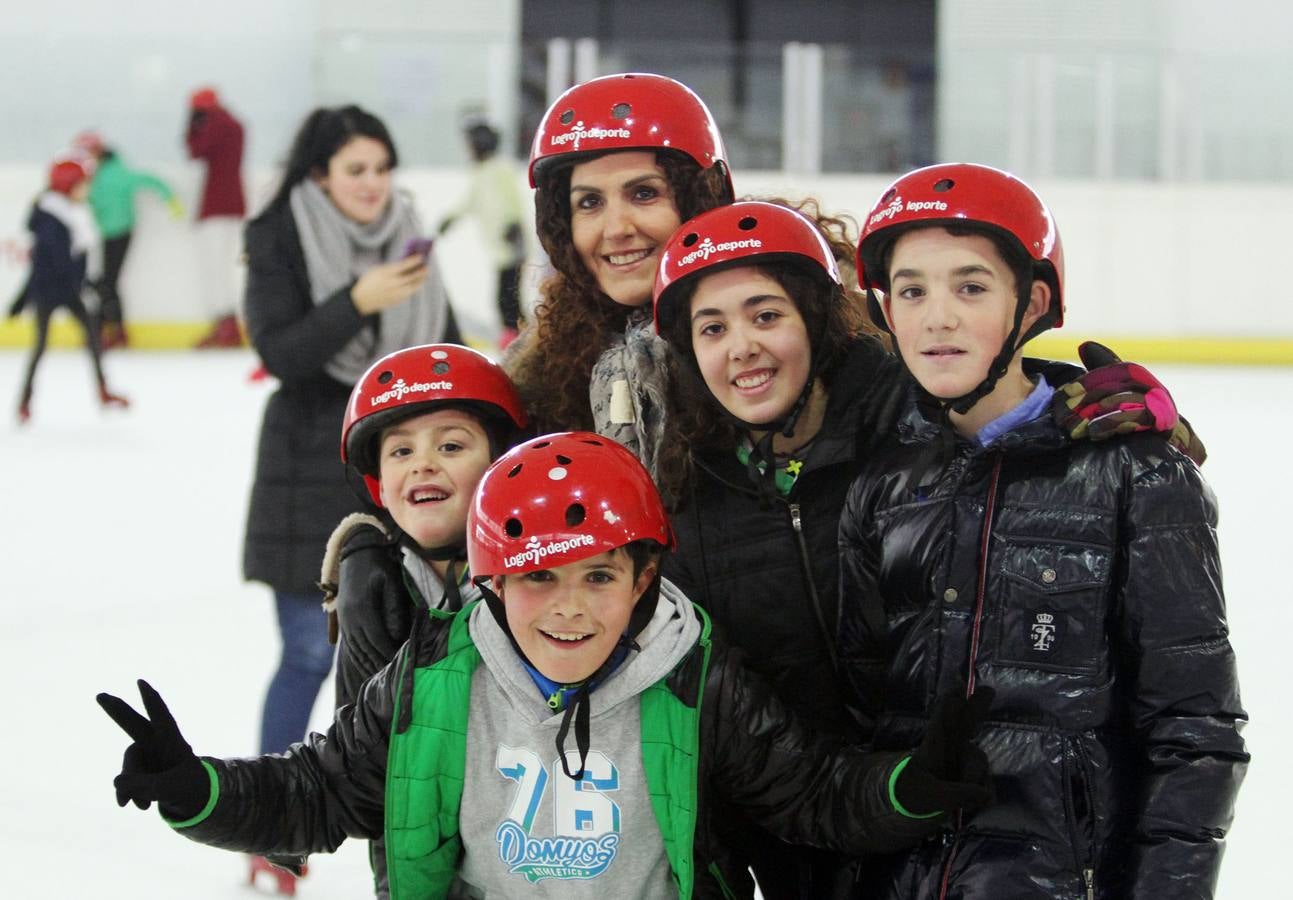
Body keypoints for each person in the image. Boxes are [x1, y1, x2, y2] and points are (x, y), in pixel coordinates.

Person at [99, 432, 997, 899]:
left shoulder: (694, 675)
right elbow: (320, 792)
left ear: (647, 577)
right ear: (489, 584)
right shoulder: (432, 680)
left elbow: (810, 792)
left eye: (599, 577)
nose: (569, 607)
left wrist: (910, 788)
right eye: (536, 581)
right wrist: (196, 790)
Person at [839, 162, 1248, 898]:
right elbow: (862, 724)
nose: (937, 317)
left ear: (1029, 303)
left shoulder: (1136, 474)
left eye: (970, 287)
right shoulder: (882, 487)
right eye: (911, 290)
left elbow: (1193, 733)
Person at [238, 103, 460, 887]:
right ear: (320, 177)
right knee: (305, 651)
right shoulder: (278, 236)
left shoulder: (410, 236)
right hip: (305, 468)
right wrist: (358, 301)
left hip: (400, 478)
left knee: (389, 662)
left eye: (381, 168)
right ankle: (268, 826)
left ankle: (385, 812)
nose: (372, 184)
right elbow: (281, 350)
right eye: (355, 170)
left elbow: (446, 355)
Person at [319, 342, 528, 897]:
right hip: (416, 869)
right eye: (401, 451)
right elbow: (358, 758)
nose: (424, 463)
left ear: (502, 463)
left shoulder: (545, 579)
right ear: (379, 486)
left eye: (451, 445)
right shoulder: (372, 588)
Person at [504, 73, 734, 478]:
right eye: (589, 202)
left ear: (701, 197)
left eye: (644, 193)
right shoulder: (537, 374)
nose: (616, 229)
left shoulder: (777, 334)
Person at [9, 156, 128, 423]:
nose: (87, 190)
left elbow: (78, 259)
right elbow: (48, 265)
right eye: (82, 185)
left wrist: (85, 283)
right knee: (40, 346)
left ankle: (103, 390)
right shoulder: (51, 220)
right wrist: (23, 298)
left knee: (93, 339)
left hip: (70, 290)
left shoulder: (75, 213)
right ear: (67, 186)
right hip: (49, 291)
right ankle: (25, 400)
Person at [72, 130, 184, 349]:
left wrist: (170, 200)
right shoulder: (92, 175)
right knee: (103, 281)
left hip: (120, 232)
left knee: (107, 282)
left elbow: (151, 180)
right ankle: (109, 327)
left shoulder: (117, 172)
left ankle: (115, 329)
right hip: (103, 233)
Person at [436, 118, 527, 348]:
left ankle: (518, 337)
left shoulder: (501, 169)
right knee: (505, 296)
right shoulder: (480, 173)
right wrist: (450, 219)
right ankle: (515, 336)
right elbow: (470, 201)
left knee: (508, 297)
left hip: (512, 243)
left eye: (470, 144)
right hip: (498, 248)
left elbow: (514, 199)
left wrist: (514, 224)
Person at [185, 86, 247, 348]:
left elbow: (195, 150)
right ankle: (227, 323)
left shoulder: (214, 126)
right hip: (233, 203)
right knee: (225, 267)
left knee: (216, 268)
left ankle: (225, 324)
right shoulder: (235, 125)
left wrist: (193, 127)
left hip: (216, 206)